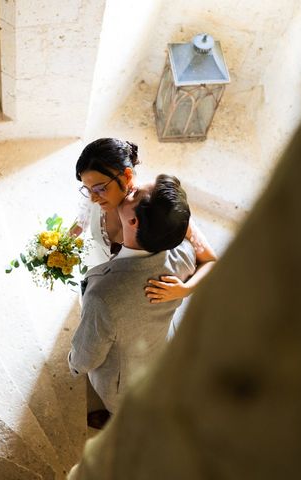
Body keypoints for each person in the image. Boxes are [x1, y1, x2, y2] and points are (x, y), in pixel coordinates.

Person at [68, 174, 197, 417]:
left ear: (133, 221)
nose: (130, 188)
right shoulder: (184, 255)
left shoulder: (104, 296)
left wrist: (74, 365)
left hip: (122, 385)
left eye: (134, 193)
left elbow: (86, 358)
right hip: (160, 349)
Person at [74, 138, 217, 305]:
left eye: (100, 188)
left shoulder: (157, 209)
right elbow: (81, 221)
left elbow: (210, 261)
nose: (93, 197)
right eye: (87, 189)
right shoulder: (94, 198)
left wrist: (184, 290)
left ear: (127, 175)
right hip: (99, 274)